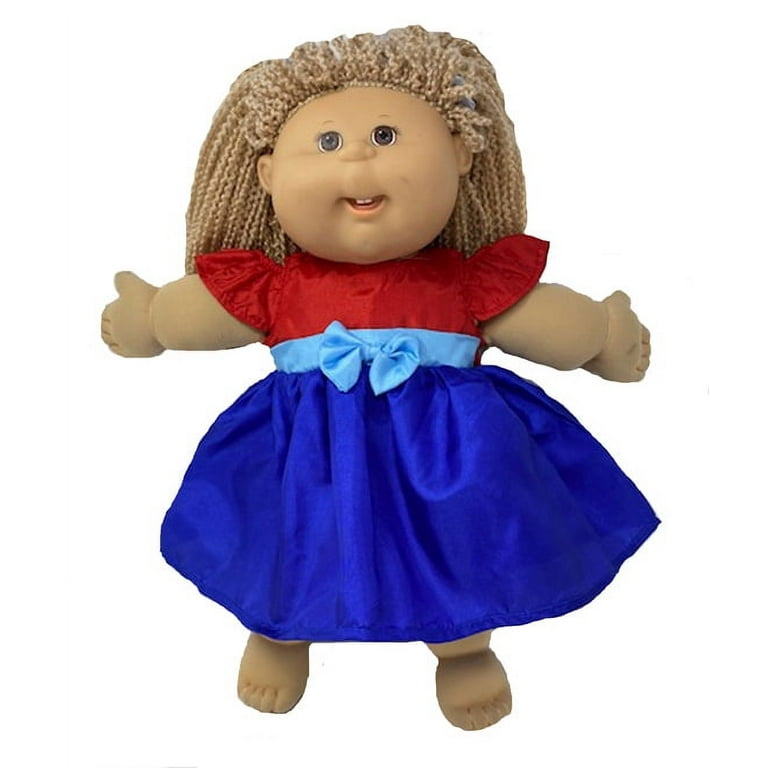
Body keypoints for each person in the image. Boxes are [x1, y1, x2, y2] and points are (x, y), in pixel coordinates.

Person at [101, 26, 659, 731]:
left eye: (387, 136)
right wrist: (152, 318)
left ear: (459, 156)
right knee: (289, 538)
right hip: (306, 452)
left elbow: (542, 322)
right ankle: (279, 634)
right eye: (328, 143)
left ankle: (463, 646)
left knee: (461, 541)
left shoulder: (467, 283)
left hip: (447, 457)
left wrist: (600, 337)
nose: (358, 156)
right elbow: (200, 314)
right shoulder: (276, 285)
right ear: (268, 175)